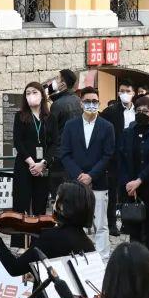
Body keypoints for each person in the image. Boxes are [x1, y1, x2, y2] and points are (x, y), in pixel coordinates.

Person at [60, 86, 115, 258]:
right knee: (75, 222)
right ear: (81, 103)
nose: (91, 104)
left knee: (101, 223)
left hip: (98, 181)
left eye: (94, 101)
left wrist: (91, 175)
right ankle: (77, 255)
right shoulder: (70, 125)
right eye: (87, 101)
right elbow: (65, 153)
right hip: (75, 183)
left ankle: (103, 258)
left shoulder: (107, 126)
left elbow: (108, 155)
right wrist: (79, 175)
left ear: (98, 103)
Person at [11, 81, 57, 247]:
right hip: (25, 165)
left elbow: (54, 143)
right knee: (20, 204)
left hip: (42, 168)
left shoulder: (49, 118)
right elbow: (18, 141)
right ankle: (19, 243)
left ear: (41, 94)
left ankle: (38, 242)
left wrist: (43, 163)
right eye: (28, 93)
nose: (32, 95)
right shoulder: (20, 116)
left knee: (40, 205)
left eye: (35, 92)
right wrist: (31, 162)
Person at [119, 95, 149, 256]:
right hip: (130, 187)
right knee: (134, 226)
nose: (141, 113)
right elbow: (122, 159)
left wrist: (140, 180)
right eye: (138, 110)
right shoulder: (127, 133)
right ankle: (134, 259)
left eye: (145, 111)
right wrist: (128, 183)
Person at [101, 80, 137, 236]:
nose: (125, 94)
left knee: (129, 190)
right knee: (112, 191)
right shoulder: (110, 111)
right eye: (122, 91)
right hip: (114, 157)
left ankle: (128, 222)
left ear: (133, 93)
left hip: (133, 156)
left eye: (128, 91)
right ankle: (111, 224)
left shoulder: (138, 111)